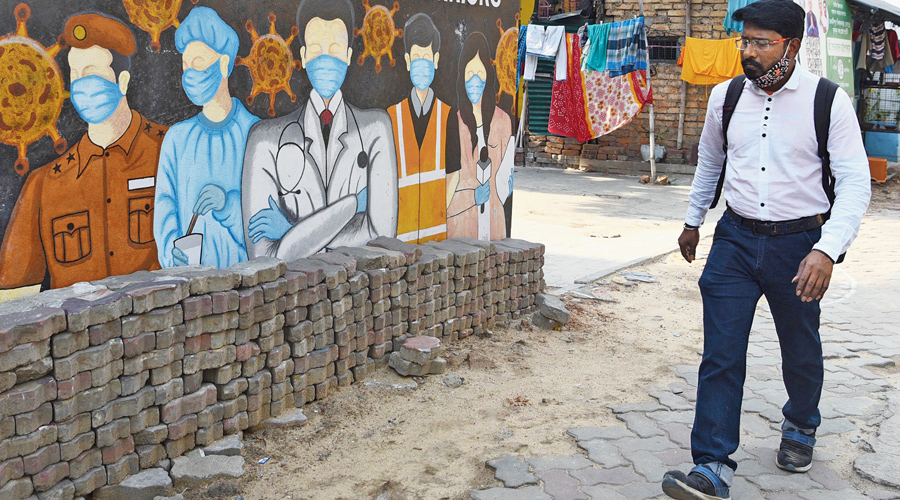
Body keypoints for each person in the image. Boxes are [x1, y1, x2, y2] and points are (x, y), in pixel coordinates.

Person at [663, 1, 870, 499]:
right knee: (721, 353)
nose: (747, 53)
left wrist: (826, 249)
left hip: (800, 244)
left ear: (791, 46)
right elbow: (710, 162)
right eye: (744, 41)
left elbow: (856, 182)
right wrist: (694, 221)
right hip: (734, 239)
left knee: (799, 348)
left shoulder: (828, 101)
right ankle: (712, 465)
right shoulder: (725, 97)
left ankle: (800, 424)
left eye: (760, 43)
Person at [0, 12, 166, 291]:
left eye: (91, 73)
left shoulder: (170, 151)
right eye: (74, 75)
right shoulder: (45, 185)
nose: (80, 86)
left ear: (122, 82)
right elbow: (14, 299)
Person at [241, 0, 398, 260]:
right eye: (315, 49)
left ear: (348, 55)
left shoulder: (375, 131)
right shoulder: (264, 143)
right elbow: (264, 255)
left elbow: (381, 238)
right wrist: (354, 206)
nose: (326, 58)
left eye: (335, 48)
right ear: (302, 57)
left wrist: (291, 231)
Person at [154, 6, 258, 269]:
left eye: (198, 63)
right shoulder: (177, 140)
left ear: (224, 64)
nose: (190, 74)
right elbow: (165, 207)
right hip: (191, 290)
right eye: (185, 66)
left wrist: (229, 206)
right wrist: (170, 252)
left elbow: (268, 217)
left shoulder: (256, 135)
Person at [387, 13, 453, 244]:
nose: (421, 63)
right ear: (407, 61)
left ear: (435, 60)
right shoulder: (392, 117)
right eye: (416, 57)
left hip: (437, 237)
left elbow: (454, 172)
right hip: (400, 238)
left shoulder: (447, 116)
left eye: (426, 56)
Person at [446, 32, 514, 241]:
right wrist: (471, 198)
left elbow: (504, 174)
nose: (475, 80)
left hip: (495, 223)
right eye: (469, 73)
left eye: (479, 72)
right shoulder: (454, 122)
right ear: (462, 76)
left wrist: (507, 187)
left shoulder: (503, 122)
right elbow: (447, 188)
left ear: (487, 75)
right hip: (462, 225)